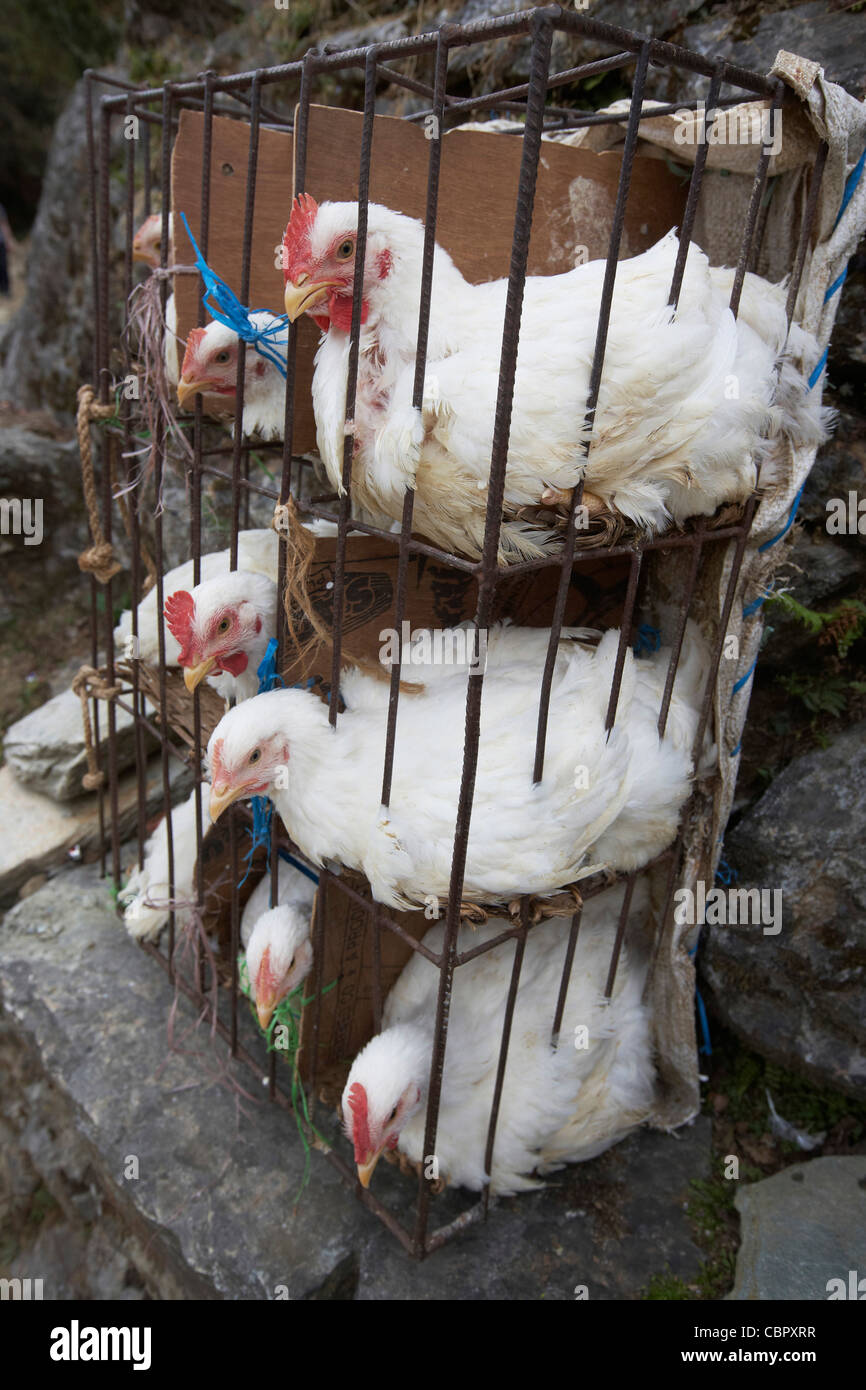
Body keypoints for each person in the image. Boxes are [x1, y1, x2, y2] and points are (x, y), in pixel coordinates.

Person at [0, 203, 12, 296]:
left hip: (1, 242)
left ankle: (6, 289)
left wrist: (8, 241)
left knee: (3, 266)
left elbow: (4, 224)